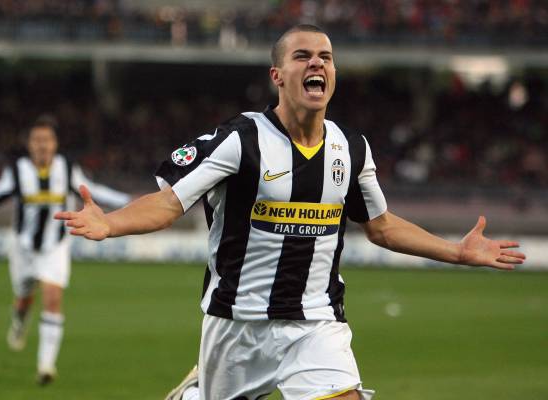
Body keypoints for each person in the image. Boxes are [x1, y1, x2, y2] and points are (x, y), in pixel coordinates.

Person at [55, 25, 525, 400]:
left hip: (316, 321)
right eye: (302, 56)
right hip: (236, 324)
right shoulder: (239, 140)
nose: (317, 63)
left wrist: (456, 252)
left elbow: (381, 226)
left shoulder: (351, 149)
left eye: (326, 57)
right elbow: (168, 203)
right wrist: (110, 223)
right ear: (277, 75)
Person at [0, 115, 131, 385]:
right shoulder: (17, 170)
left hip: (55, 246)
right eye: (37, 140)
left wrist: (128, 201)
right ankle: (19, 321)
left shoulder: (67, 168)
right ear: (29, 145)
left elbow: (92, 191)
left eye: (47, 140)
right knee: (24, 299)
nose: (42, 145)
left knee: (52, 296)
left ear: (55, 144)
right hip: (23, 247)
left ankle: (46, 366)